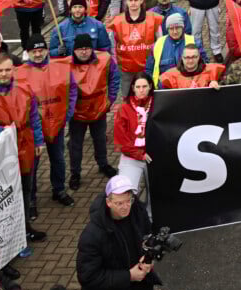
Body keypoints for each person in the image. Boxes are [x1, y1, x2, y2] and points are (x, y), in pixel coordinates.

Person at [0, 53, 48, 245]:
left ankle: (25, 228)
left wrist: (38, 142)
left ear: (13, 69)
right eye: (0, 70)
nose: (4, 74)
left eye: (7, 69)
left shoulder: (25, 90)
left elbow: (34, 119)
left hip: (25, 145)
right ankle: (8, 237)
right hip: (1, 154)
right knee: (6, 196)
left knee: (26, 190)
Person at [14, 35, 76, 218]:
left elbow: (71, 89)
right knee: (32, 165)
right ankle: (31, 200)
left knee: (58, 159)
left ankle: (59, 190)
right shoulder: (19, 73)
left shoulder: (61, 67)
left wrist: (68, 113)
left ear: (47, 50)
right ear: (28, 53)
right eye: (34, 51)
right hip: (33, 129)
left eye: (41, 50)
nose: (38, 54)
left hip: (56, 123)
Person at [76, 175, 162, 290]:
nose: (126, 207)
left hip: (140, 288)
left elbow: (148, 235)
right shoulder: (91, 235)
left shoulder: (138, 212)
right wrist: (129, 276)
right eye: (119, 203)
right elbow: (88, 277)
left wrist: (149, 257)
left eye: (128, 200)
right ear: (108, 202)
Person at [63, 34, 119, 188]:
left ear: (91, 48)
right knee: (75, 145)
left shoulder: (105, 59)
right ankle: (75, 173)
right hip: (77, 113)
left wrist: (111, 99)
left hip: (99, 109)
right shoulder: (65, 64)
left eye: (87, 48)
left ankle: (103, 164)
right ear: (74, 50)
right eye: (80, 49)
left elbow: (114, 78)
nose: (84, 52)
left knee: (100, 140)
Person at [108, 0, 165, 98]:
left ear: (141, 1)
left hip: (148, 66)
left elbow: (160, 40)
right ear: (126, 2)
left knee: (149, 95)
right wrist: (115, 61)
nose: (133, 3)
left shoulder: (153, 18)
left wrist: (157, 58)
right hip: (126, 68)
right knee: (127, 96)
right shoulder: (117, 21)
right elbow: (112, 44)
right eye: (130, 0)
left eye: (136, 0)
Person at [113, 73, 152, 192]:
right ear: (132, 88)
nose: (141, 90)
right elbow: (121, 140)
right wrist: (139, 154)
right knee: (126, 191)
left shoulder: (159, 103)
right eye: (138, 87)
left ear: (150, 86)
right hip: (132, 156)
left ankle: (149, 211)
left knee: (157, 196)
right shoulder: (124, 108)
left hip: (154, 156)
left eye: (144, 86)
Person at [144, 13, 205, 86]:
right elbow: (148, 70)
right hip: (165, 89)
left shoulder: (194, 42)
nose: (175, 31)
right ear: (167, 29)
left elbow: (205, 65)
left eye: (177, 27)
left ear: (183, 27)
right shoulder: (157, 45)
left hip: (189, 88)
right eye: (171, 28)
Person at [159, 43, 226, 89]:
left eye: (194, 57)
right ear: (182, 57)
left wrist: (217, 84)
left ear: (199, 57)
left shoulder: (212, 70)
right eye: (187, 57)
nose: (190, 61)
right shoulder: (170, 75)